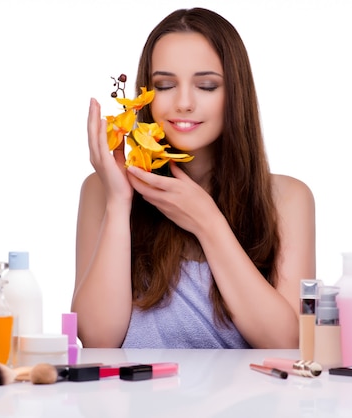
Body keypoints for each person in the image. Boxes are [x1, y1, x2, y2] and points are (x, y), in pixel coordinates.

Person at [72, 7, 315, 349]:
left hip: (249, 402)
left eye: (206, 85)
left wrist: (207, 222)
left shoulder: (288, 198)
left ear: (235, 94)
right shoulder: (102, 189)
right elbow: (97, 338)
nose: (183, 103)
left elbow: (288, 343)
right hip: (139, 399)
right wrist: (118, 202)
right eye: (165, 85)